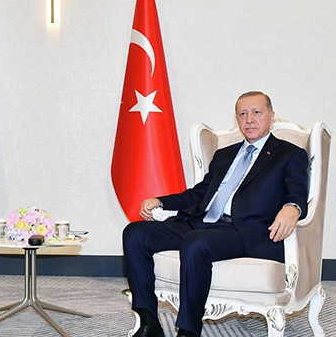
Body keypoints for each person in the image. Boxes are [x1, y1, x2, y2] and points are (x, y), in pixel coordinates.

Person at [122, 91, 309, 337]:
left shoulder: (290, 154)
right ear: (237, 119)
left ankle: (188, 331)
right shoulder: (224, 155)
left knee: (196, 242)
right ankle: (149, 322)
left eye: (256, 112)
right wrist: (161, 201)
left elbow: (297, 192)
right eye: (242, 114)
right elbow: (200, 194)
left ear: (271, 116)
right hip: (202, 222)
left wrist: (292, 207)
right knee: (135, 233)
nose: (249, 119)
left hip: (244, 230)